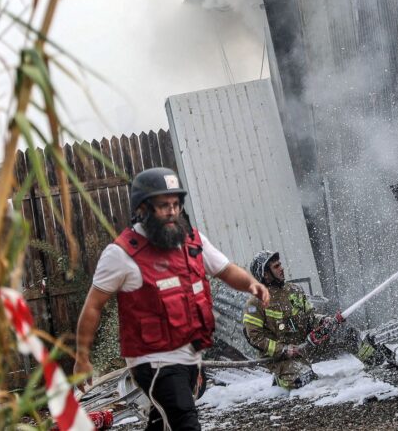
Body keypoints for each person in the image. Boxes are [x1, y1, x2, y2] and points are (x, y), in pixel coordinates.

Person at [73, 167, 270, 431]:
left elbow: (225, 269)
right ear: (142, 208)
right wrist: (82, 357)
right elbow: (93, 306)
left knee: (163, 420)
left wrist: (252, 284)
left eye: (176, 204)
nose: (172, 211)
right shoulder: (121, 254)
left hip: (189, 353)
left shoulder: (193, 241)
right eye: (163, 205)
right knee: (184, 422)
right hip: (152, 360)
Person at [242, 250, 380, 389]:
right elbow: (255, 337)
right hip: (282, 357)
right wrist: (283, 350)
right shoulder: (255, 303)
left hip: (308, 346)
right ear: (265, 274)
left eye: (280, 264)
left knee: (345, 332)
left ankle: (376, 361)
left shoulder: (294, 290)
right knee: (303, 379)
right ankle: (281, 380)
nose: (282, 268)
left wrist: (323, 321)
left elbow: (310, 317)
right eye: (276, 266)